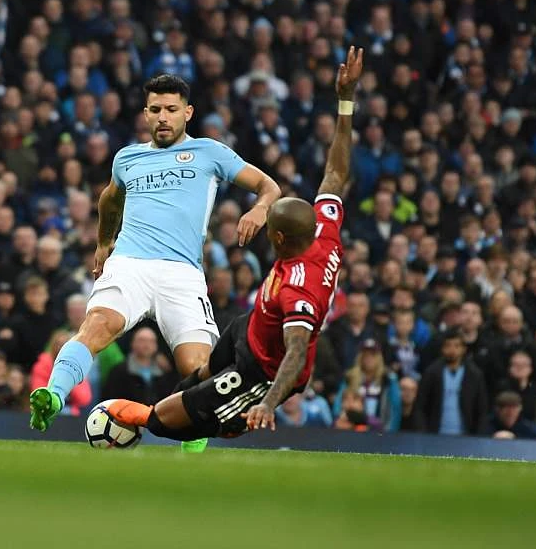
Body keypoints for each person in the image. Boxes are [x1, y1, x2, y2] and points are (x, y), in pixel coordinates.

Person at [97, 47, 362, 442]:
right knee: (196, 376)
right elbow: (336, 173)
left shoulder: (300, 287)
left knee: (167, 421)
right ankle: (201, 401)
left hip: (261, 369)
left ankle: (163, 419)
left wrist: (268, 403)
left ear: (279, 238)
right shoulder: (323, 227)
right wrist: (346, 101)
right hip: (249, 327)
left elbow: (296, 352)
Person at [30, 73, 282, 454]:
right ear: (145, 114)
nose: (163, 117)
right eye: (155, 109)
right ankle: (53, 395)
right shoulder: (127, 158)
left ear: (188, 113)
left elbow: (269, 186)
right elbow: (109, 200)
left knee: (197, 366)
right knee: (97, 324)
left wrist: (260, 209)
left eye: (171, 109)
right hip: (130, 263)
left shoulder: (210, 153)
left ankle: (193, 442)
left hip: (182, 273)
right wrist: (104, 242)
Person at [416, 330, 489, 436]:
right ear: (442, 349)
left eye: (457, 346)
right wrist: (422, 432)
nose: (452, 350)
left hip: (466, 436)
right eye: (448, 346)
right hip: (435, 435)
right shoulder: (431, 373)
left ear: (464, 349)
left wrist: (479, 436)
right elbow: (420, 406)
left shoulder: (474, 375)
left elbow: (482, 409)